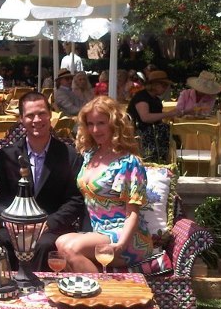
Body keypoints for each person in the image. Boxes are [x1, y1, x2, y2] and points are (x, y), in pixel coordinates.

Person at [56, 97, 154, 271]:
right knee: (61, 242)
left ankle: (101, 293)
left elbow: (133, 213)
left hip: (128, 237)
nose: (95, 129)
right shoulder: (90, 155)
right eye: (90, 124)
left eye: (101, 123)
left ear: (114, 124)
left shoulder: (128, 162)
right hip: (100, 232)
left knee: (72, 248)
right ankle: (81, 294)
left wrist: (121, 244)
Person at [0, 92, 84, 270]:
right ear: (21, 119)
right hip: (15, 227)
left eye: (42, 113)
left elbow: (75, 200)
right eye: (30, 115)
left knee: (44, 245)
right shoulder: (6, 156)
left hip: (50, 227)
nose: (37, 119)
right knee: (0, 242)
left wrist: (47, 224)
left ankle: (37, 295)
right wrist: (9, 221)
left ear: (50, 115)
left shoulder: (69, 155)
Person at [127, 69, 180, 163]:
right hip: (141, 132)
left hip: (153, 131)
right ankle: (157, 161)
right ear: (154, 85)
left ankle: (170, 161)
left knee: (173, 133)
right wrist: (168, 114)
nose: (166, 88)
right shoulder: (142, 97)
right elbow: (145, 117)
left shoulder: (155, 98)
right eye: (164, 85)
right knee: (166, 132)